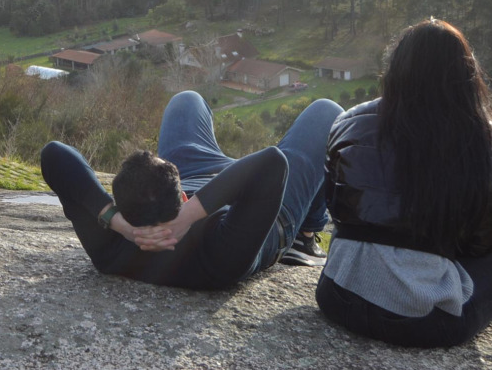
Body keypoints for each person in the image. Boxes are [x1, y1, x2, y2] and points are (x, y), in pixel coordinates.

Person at [318, 19, 492, 348]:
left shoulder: (349, 122)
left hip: (336, 296)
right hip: (424, 322)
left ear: (396, 67)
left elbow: (335, 206)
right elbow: (486, 242)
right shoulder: (488, 142)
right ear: (465, 75)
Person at [41, 90, 342, 290]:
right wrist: (185, 217)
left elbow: (54, 154)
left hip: (199, 176)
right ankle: (305, 237)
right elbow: (273, 164)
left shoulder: (110, 250)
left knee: (187, 101)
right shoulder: (220, 256)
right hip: (266, 203)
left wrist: (120, 226)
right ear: (183, 199)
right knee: (327, 111)